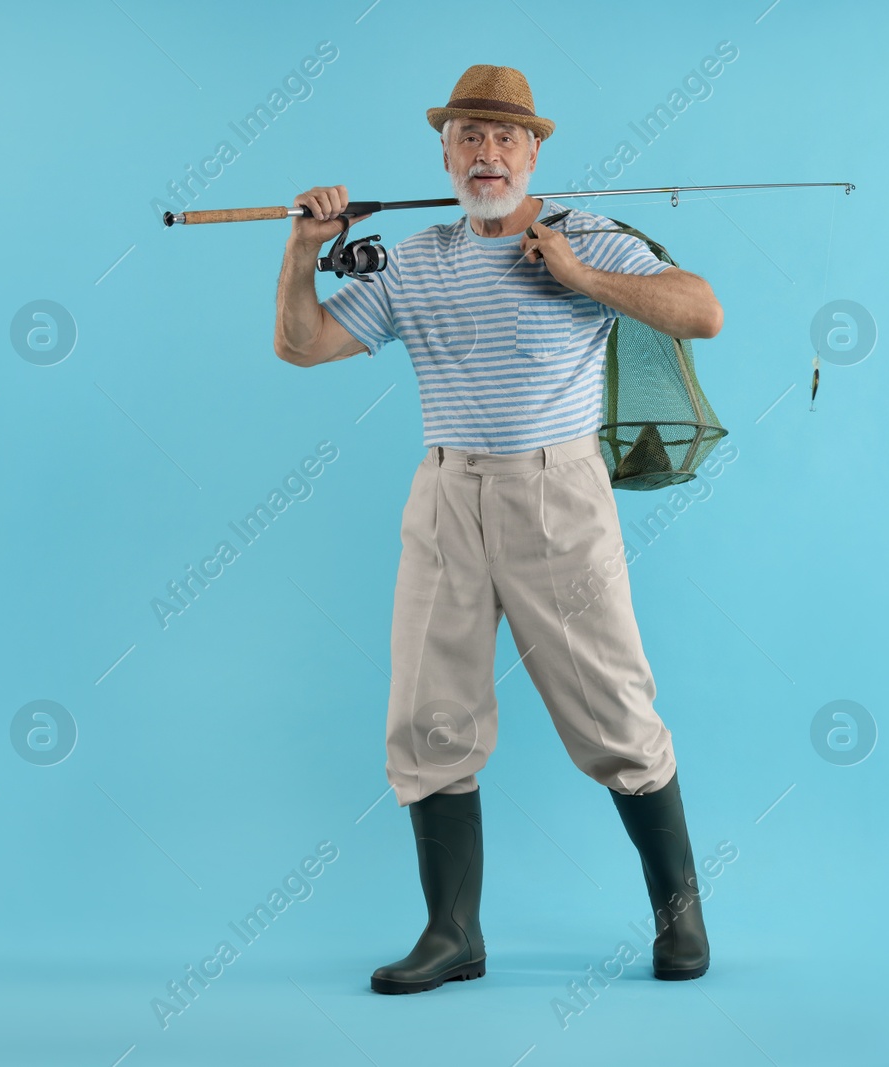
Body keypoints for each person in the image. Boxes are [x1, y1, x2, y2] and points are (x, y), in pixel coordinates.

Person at [272, 64, 723, 994]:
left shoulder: (586, 235)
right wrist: (303, 248)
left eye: (505, 137)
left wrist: (581, 274)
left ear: (534, 150)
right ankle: (453, 933)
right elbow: (303, 343)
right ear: (444, 152)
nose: (487, 153)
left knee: (616, 712)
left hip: (556, 493)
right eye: (469, 136)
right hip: (444, 496)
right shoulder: (414, 257)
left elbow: (702, 311)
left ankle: (681, 921)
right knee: (428, 715)